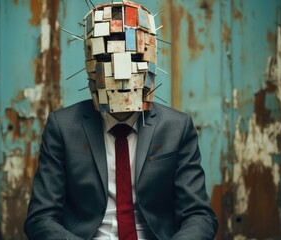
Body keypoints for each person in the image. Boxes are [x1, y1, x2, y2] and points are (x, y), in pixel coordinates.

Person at [24, 1, 218, 239]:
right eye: (107, 58)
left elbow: (199, 215)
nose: (122, 71)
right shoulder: (62, 127)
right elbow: (40, 218)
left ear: (150, 61)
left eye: (135, 56)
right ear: (91, 65)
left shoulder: (177, 128)